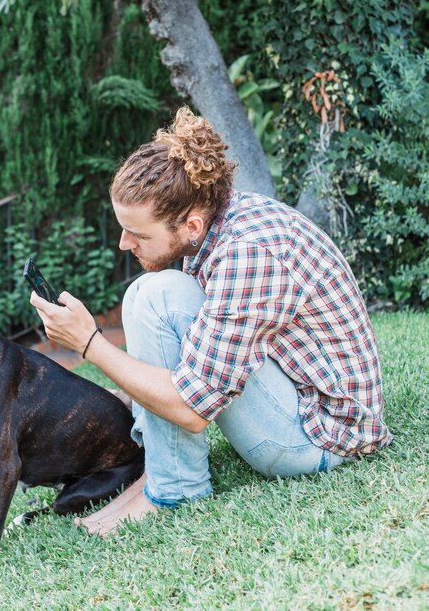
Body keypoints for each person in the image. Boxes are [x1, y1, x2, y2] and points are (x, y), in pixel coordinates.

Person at [29, 106, 392, 536]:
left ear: (191, 224)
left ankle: (173, 489)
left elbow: (192, 409)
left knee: (155, 296)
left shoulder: (247, 253)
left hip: (320, 437)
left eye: (139, 234)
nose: (125, 243)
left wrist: (89, 343)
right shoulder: (216, 227)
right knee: (150, 294)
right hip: (297, 392)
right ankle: (159, 475)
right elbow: (198, 354)